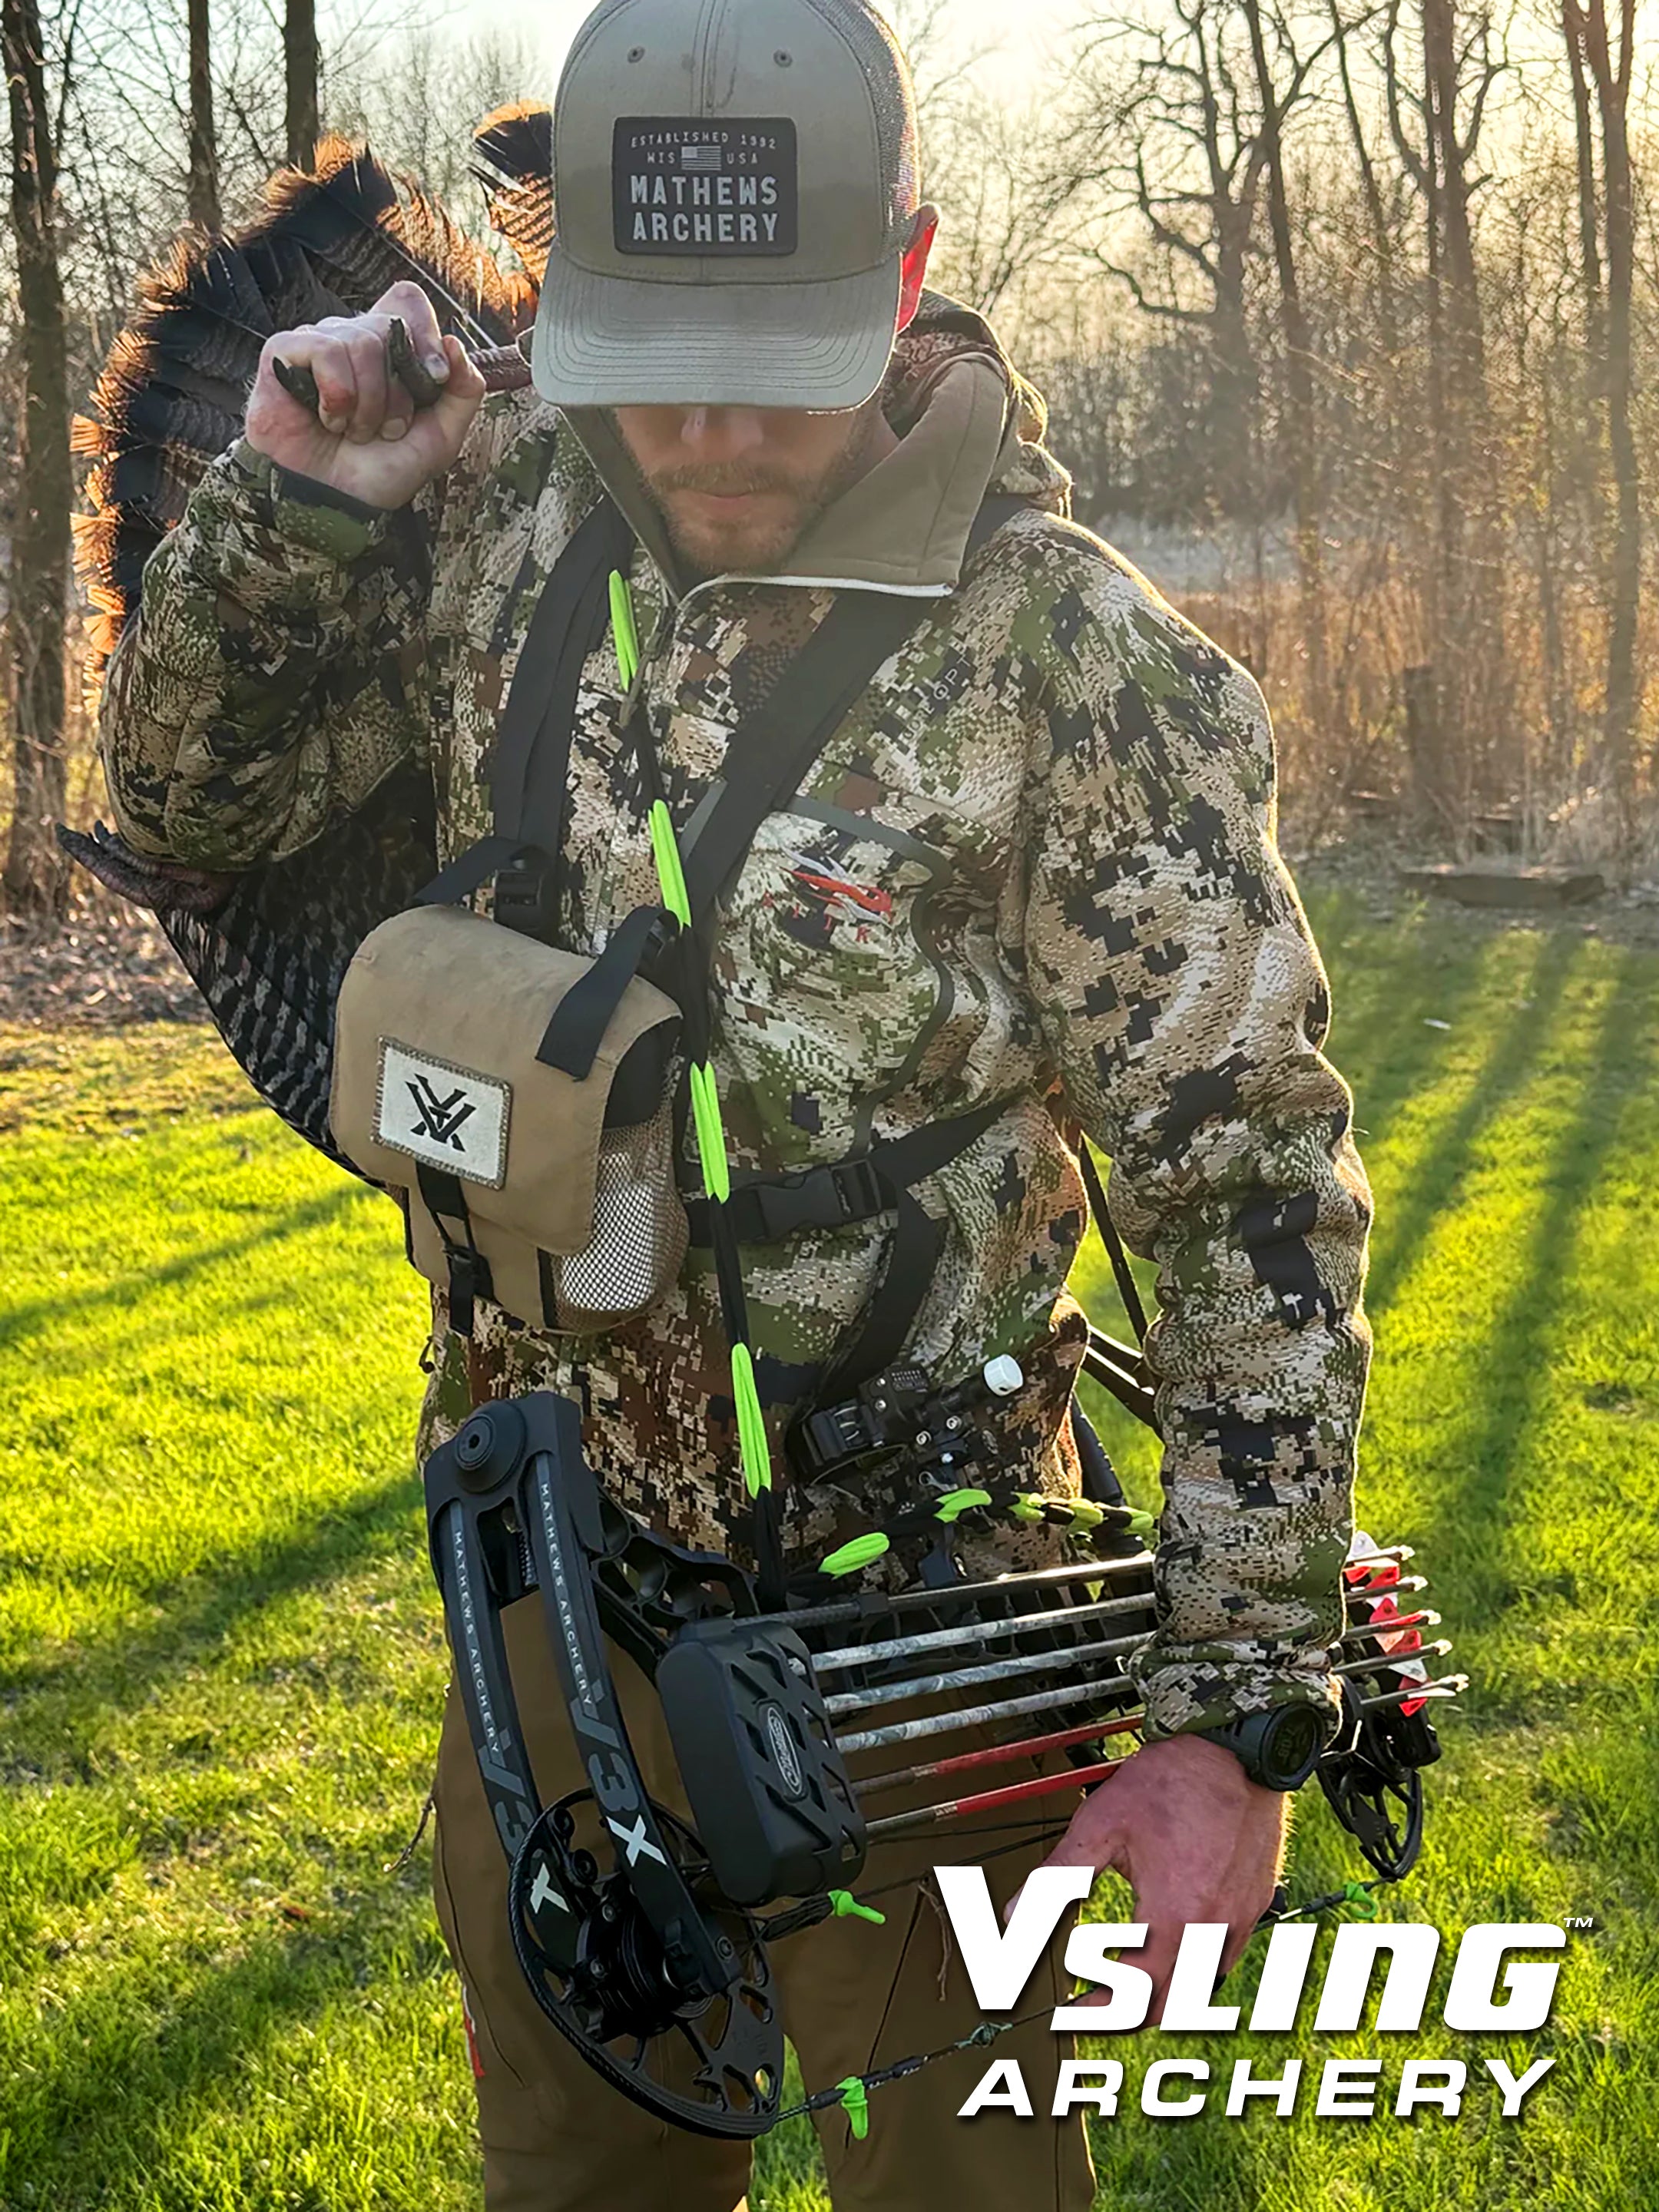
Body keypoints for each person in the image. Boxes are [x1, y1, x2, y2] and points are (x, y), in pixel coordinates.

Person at [97, 1, 1373, 2205]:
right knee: (581, 2176)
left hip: (946, 1647)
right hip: (555, 1610)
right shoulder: (492, 521)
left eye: (765, 362)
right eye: (645, 352)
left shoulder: (1080, 667)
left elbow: (1248, 1180)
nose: (696, 427)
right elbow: (187, 811)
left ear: (906, 274)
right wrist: (293, 509)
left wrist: (1234, 1719)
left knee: (959, 2190)